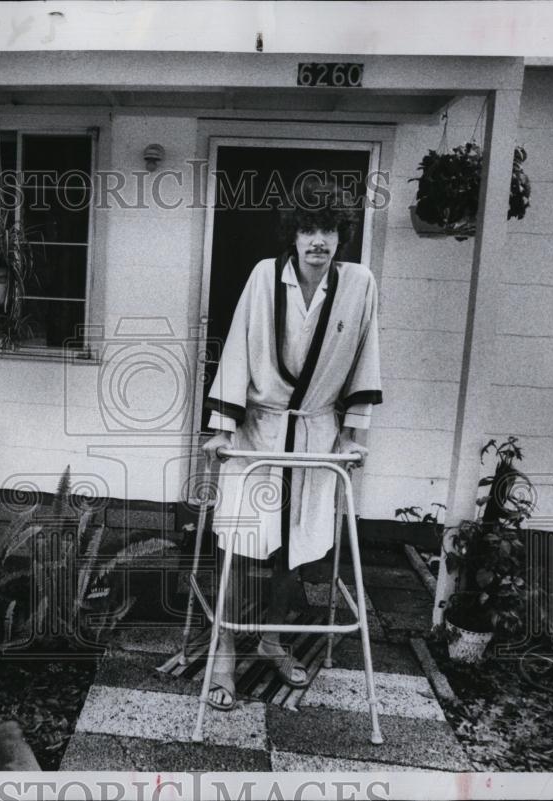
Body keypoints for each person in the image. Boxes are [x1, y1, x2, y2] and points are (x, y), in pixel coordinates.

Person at [200, 176, 383, 710]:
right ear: (293, 236)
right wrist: (221, 429)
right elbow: (237, 348)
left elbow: (367, 354)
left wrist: (354, 434)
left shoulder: (359, 284)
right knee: (239, 536)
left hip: (316, 432)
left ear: (340, 236)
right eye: (308, 229)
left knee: (297, 545)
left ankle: (274, 637)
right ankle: (225, 647)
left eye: (327, 229)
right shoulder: (264, 278)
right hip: (259, 430)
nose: (318, 241)